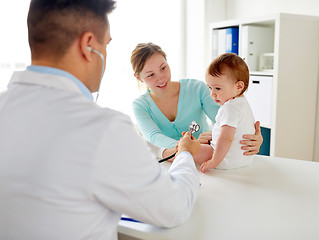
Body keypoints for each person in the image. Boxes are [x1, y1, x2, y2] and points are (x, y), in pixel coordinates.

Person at [0, 1, 201, 240]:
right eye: (106, 44)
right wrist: (186, 154)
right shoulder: (103, 129)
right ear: (88, 45)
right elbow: (174, 207)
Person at [131, 42, 263, 157]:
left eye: (163, 68)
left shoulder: (197, 88)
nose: (161, 78)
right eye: (151, 75)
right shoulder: (140, 105)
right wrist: (188, 146)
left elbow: (226, 119)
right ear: (139, 77)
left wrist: (251, 136)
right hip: (170, 161)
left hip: (206, 156)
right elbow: (154, 137)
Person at [199, 53, 255, 173]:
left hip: (224, 158)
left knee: (188, 149)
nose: (212, 94)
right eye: (210, 88)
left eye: (217, 88)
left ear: (239, 86)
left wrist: (214, 161)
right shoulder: (242, 103)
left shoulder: (230, 108)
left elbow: (226, 138)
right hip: (244, 159)